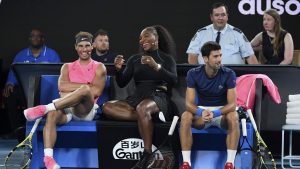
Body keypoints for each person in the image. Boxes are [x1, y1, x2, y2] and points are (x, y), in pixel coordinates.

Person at [23, 31, 107, 169]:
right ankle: (48, 159)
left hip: (85, 111)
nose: (84, 49)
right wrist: (86, 85)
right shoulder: (66, 67)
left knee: (85, 91)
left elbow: (95, 92)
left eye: (87, 45)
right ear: (75, 47)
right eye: (80, 45)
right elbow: (62, 86)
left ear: (92, 46)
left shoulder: (99, 67)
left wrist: (79, 90)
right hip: (67, 109)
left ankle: (45, 108)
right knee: (53, 114)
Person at [102, 25, 177, 169]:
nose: (143, 40)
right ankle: (148, 118)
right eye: (141, 38)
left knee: (143, 108)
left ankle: (147, 153)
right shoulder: (134, 59)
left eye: (147, 36)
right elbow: (122, 82)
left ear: (156, 38)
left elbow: (173, 80)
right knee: (107, 107)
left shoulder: (166, 59)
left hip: (158, 96)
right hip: (137, 98)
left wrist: (156, 67)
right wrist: (118, 70)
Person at [179, 41, 240, 169]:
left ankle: (229, 163)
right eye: (215, 56)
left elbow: (233, 104)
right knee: (185, 116)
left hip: (222, 113)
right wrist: (202, 112)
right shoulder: (193, 74)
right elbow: (188, 104)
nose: (219, 59)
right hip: (203, 113)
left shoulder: (229, 73)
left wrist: (215, 113)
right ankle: (186, 163)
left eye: (220, 55)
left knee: (233, 116)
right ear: (206, 58)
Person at [2, 29, 61, 141]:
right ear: (29, 39)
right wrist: (9, 83)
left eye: (38, 36)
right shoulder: (21, 55)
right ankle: (18, 131)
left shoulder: (52, 54)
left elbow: (58, 75)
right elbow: (13, 71)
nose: (35, 38)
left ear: (42, 39)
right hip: (25, 91)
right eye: (32, 36)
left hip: (45, 91)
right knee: (9, 96)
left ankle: (45, 130)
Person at [187, 2, 258, 65]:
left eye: (223, 15)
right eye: (217, 15)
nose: (220, 18)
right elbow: (192, 55)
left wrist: (258, 76)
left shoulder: (237, 34)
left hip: (234, 76)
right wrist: (198, 75)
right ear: (211, 17)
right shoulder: (201, 33)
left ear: (227, 16)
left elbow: (250, 56)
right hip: (207, 76)